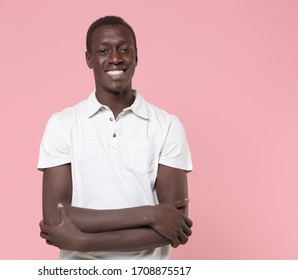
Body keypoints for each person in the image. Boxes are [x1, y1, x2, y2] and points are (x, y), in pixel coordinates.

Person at [38, 16, 193, 260]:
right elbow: (55, 218)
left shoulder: (167, 126)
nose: (114, 58)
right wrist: (150, 214)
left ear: (136, 56)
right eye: (103, 50)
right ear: (89, 59)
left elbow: (175, 227)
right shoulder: (62, 124)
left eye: (124, 49)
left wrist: (83, 241)